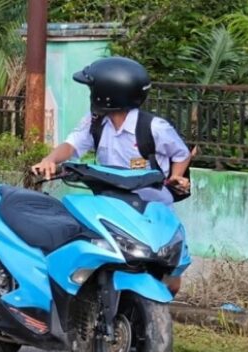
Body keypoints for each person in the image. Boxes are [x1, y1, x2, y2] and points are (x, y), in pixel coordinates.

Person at [31, 56, 190, 295]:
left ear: (106, 94)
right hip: (112, 207)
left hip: (152, 209)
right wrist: (50, 160)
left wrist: (176, 176)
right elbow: (72, 145)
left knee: (169, 276)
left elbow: (181, 154)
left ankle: (155, 315)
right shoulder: (95, 122)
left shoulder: (154, 127)